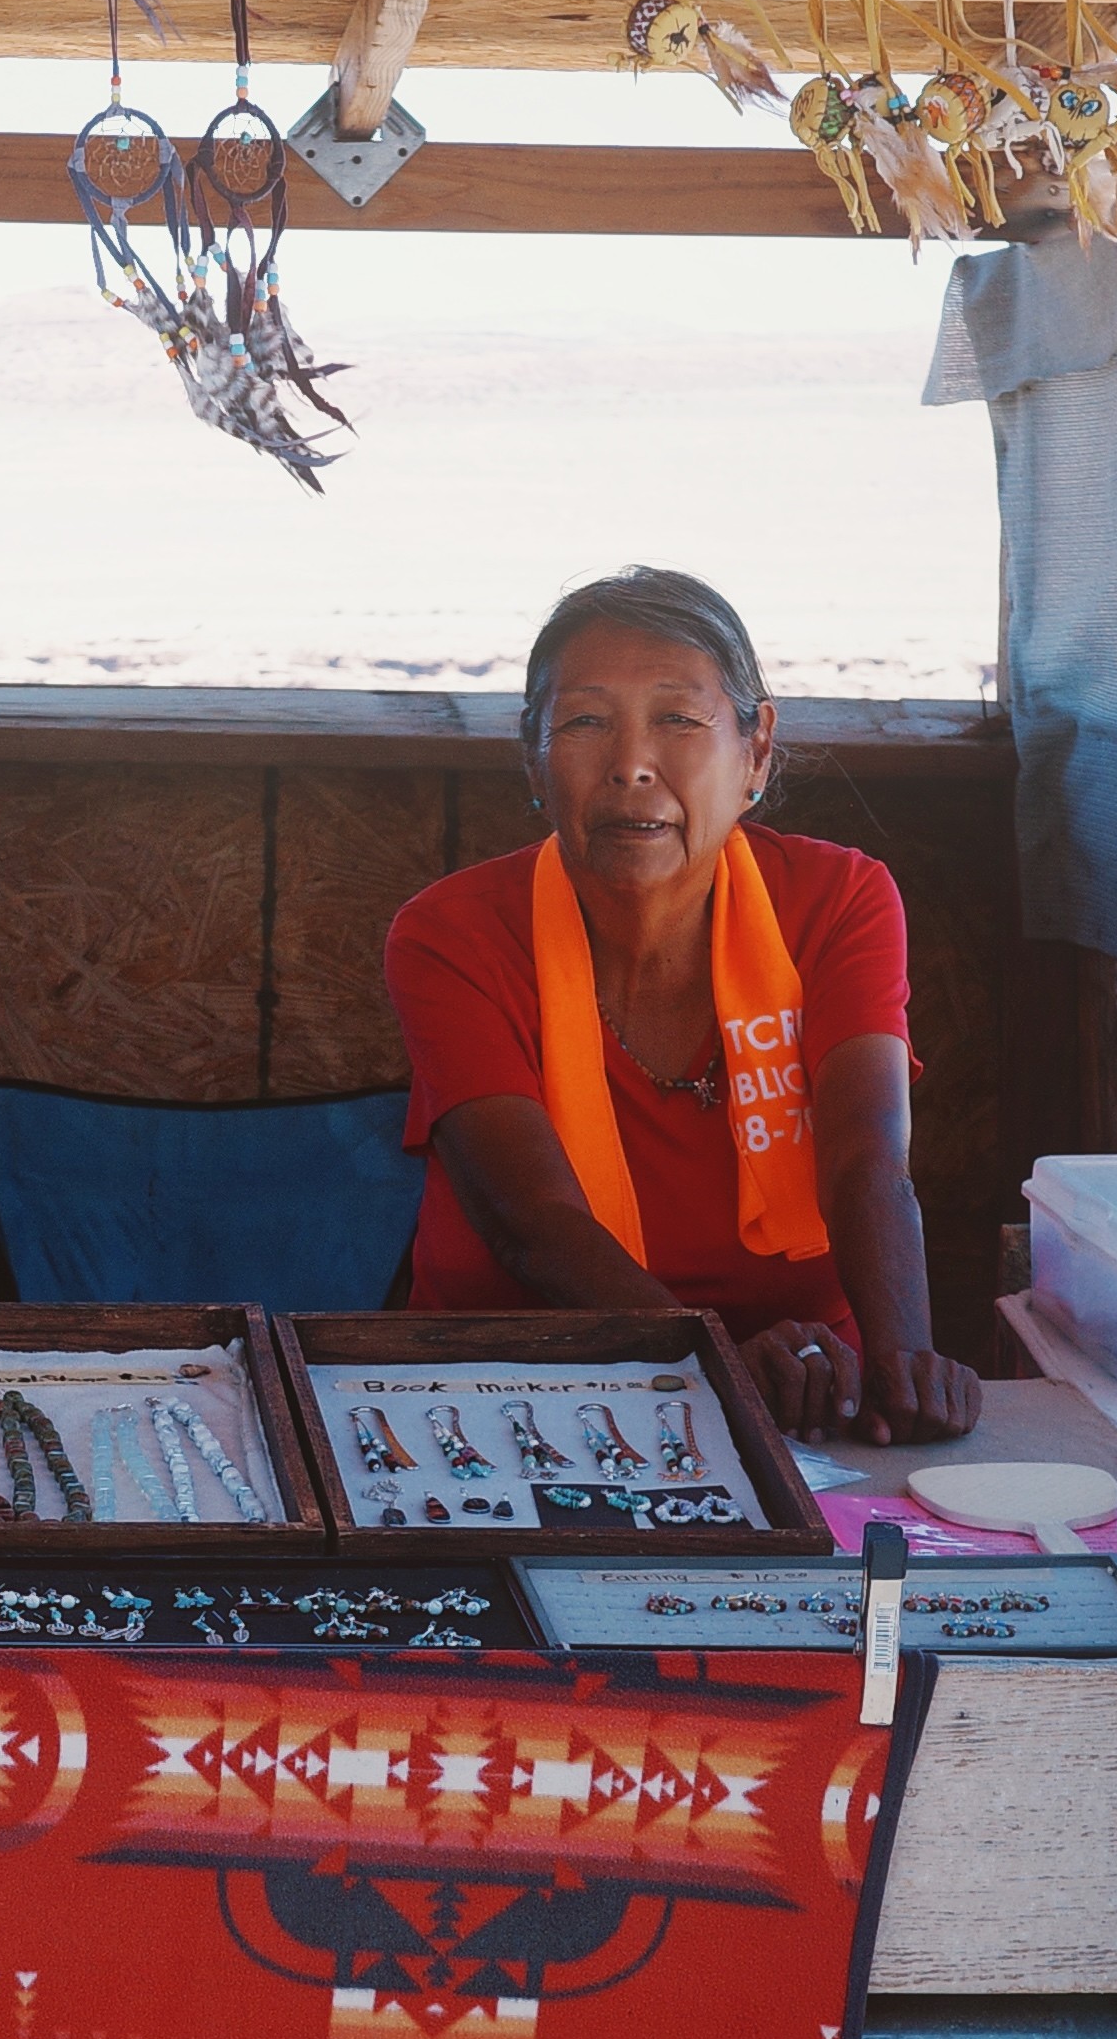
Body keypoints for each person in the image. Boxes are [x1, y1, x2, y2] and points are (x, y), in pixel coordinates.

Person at [383, 568, 993, 1442]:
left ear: (756, 749)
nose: (632, 764)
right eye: (585, 721)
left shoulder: (839, 898)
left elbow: (868, 1159)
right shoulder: (451, 934)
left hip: (817, 1396)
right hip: (511, 1393)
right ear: (532, 756)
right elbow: (537, 1228)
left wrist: (903, 1371)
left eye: (678, 719)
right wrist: (712, 1365)